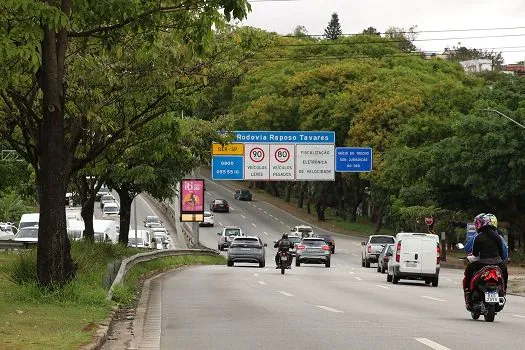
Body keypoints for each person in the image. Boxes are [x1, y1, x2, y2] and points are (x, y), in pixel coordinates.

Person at [463, 213, 509, 310]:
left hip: (482, 263)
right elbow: (502, 253)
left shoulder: (478, 237)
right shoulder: (498, 237)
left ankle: (467, 291)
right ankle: (503, 291)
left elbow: (475, 253)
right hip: (498, 264)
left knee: (469, 271)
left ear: (480, 225)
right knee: (505, 272)